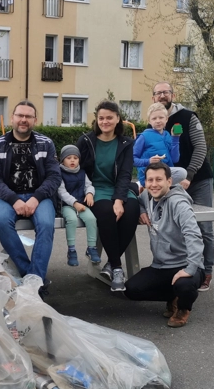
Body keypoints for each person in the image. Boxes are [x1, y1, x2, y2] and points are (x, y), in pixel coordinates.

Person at [0, 100, 61, 296]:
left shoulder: (46, 143)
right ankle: (33, 278)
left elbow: (54, 176)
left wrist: (36, 198)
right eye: (20, 115)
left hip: (40, 196)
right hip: (8, 197)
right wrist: (14, 200)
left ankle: (33, 284)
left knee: (46, 224)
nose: (23, 119)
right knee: (1, 220)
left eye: (28, 116)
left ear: (35, 120)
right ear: (12, 118)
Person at [124, 162, 205, 328]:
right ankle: (173, 296)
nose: (154, 184)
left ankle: (183, 308)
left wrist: (190, 269)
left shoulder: (179, 204)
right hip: (161, 265)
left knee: (184, 286)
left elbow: (194, 236)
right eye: (150, 180)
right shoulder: (147, 196)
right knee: (131, 289)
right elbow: (137, 199)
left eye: (159, 179)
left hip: (186, 264)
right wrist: (142, 211)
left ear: (169, 181)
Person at [152, 82, 214, 291]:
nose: (162, 95)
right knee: (174, 227)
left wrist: (189, 174)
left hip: (198, 179)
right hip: (172, 183)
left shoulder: (188, 117)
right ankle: (181, 269)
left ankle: (206, 272)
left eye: (166, 92)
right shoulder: (154, 122)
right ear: (153, 98)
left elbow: (201, 148)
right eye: (158, 93)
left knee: (203, 227)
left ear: (173, 95)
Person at [76, 100, 141, 292]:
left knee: (132, 210)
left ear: (118, 118)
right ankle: (117, 267)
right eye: (101, 118)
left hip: (119, 188)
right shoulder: (86, 141)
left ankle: (110, 264)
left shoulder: (126, 143)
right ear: (96, 120)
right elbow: (76, 169)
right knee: (106, 213)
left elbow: (125, 174)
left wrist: (119, 200)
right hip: (93, 190)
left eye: (109, 118)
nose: (105, 121)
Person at [57, 144, 101, 267]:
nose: (72, 160)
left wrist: (90, 194)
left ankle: (91, 248)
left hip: (81, 204)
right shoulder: (59, 173)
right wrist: (74, 203)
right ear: (62, 160)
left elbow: (89, 185)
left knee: (91, 219)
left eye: (75, 158)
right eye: (69, 158)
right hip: (67, 205)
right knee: (72, 220)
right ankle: (71, 250)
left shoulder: (82, 172)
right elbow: (61, 192)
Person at [133, 102, 188, 188]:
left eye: (161, 117)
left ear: (166, 119)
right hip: (149, 174)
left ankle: (160, 188)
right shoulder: (144, 136)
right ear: (149, 121)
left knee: (181, 189)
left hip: (165, 173)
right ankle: (144, 185)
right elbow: (132, 160)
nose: (158, 121)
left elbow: (175, 159)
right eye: (154, 118)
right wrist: (149, 161)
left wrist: (175, 138)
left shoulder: (167, 135)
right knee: (182, 173)